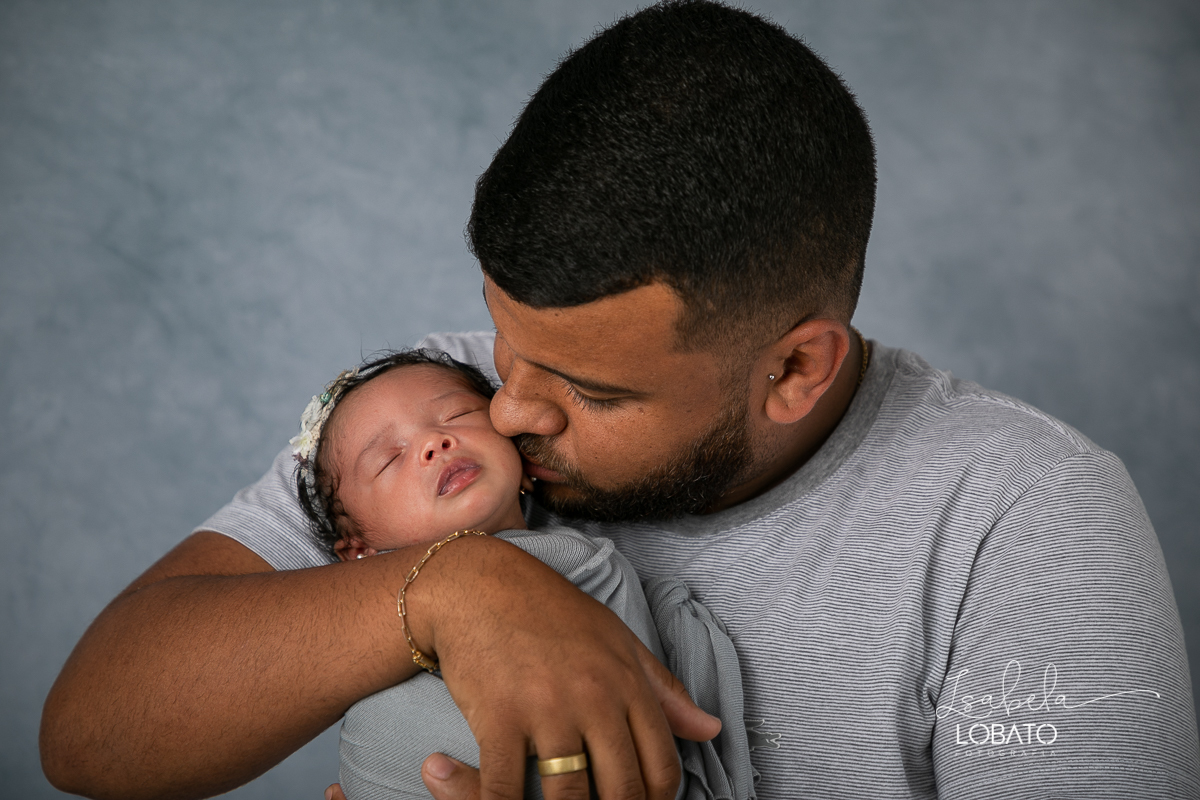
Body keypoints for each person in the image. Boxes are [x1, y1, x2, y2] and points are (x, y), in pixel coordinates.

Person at [41, 2, 1199, 799]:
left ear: (793, 369)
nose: (513, 412)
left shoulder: (1028, 518)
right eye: (505, 343)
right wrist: (453, 586)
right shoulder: (433, 414)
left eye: (589, 388)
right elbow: (93, 727)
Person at [289, 348, 754, 800]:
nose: (436, 443)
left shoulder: (573, 551)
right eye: (389, 459)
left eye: (456, 416)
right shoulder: (362, 625)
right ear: (359, 551)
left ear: (521, 463)